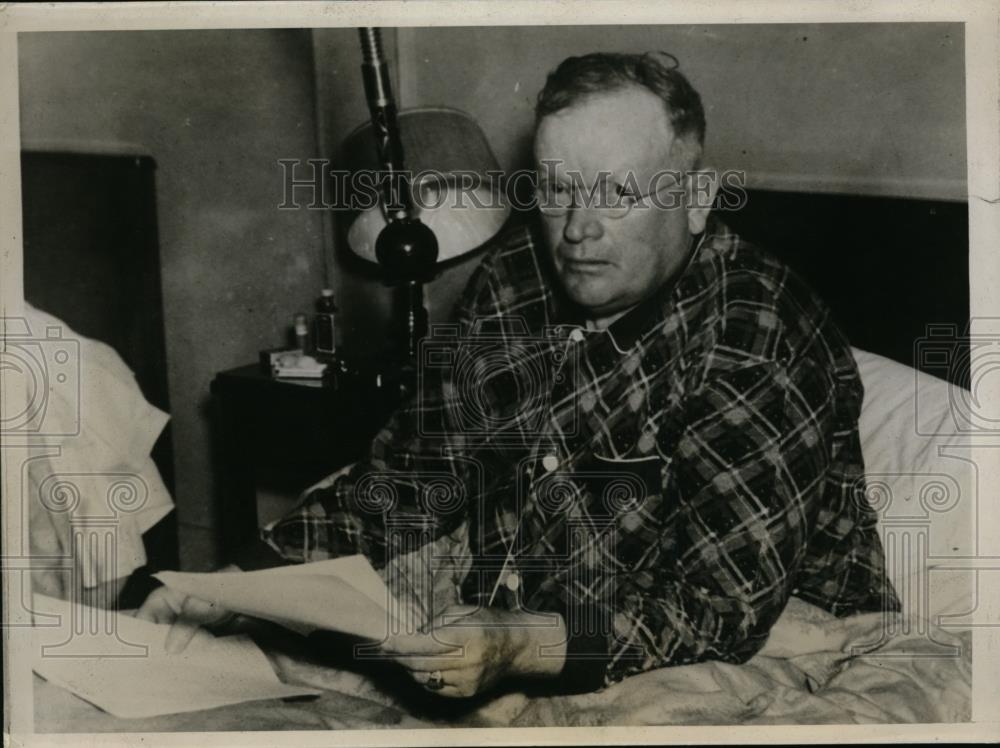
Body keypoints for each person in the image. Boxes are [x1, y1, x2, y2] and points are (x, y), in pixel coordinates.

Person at [139, 51, 898, 699]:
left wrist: (517, 645)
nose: (578, 229)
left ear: (695, 201)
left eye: (620, 193)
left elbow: (719, 612)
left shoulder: (756, 335)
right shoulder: (516, 279)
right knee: (237, 676)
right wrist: (234, 583)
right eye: (557, 190)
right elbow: (417, 472)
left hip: (769, 638)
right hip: (526, 601)